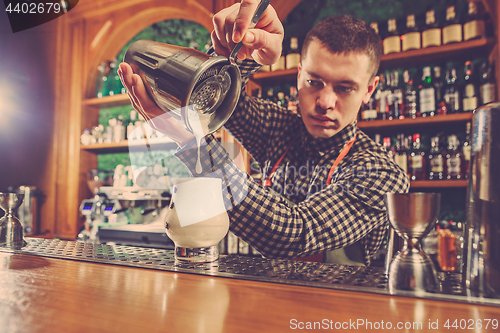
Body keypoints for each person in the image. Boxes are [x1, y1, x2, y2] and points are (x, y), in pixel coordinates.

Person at [118, 1, 409, 266]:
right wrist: (245, 49)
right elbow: (224, 103)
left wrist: (191, 142)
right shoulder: (283, 130)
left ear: (369, 90)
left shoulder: (381, 173)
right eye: (314, 81)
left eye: (345, 88)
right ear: (298, 75)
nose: (325, 102)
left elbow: (294, 234)